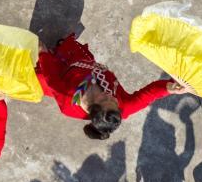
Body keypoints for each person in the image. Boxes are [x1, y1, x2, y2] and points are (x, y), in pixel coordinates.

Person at [37, 34, 189, 140]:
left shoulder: (67, 98)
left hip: (61, 73)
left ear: (93, 107)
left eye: (105, 100)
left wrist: (42, 53)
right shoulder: (122, 107)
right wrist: (170, 88)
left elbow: (52, 78)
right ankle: (62, 49)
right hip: (81, 64)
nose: (112, 97)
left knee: (41, 65)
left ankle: (54, 54)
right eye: (115, 102)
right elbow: (149, 94)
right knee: (70, 52)